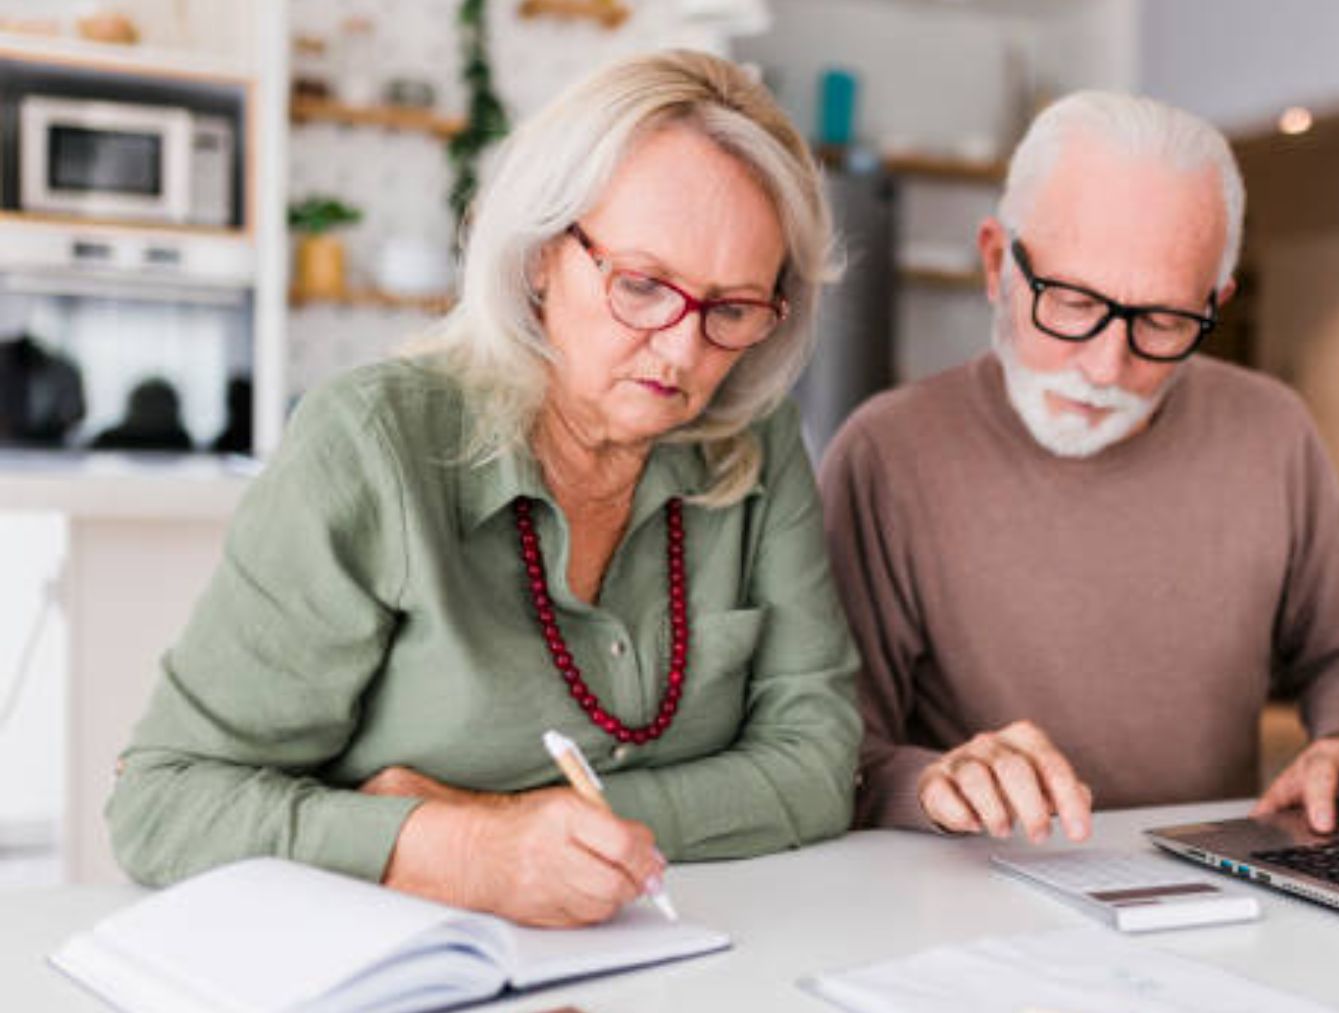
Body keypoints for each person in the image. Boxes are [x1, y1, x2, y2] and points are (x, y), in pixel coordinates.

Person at [108, 50, 861, 927]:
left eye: (731, 310)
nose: (684, 352)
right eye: (644, 286)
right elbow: (162, 801)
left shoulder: (753, 435)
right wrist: (453, 853)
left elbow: (818, 765)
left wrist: (518, 828)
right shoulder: (375, 444)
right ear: (543, 254)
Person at [821, 91, 1339, 847]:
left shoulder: (1271, 429)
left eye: (1162, 321)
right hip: (971, 890)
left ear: (1216, 303)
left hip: (1211, 884)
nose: (1106, 366)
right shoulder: (888, 453)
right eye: (1074, 302)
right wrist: (933, 781)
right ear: (996, 264)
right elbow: (834, 754)